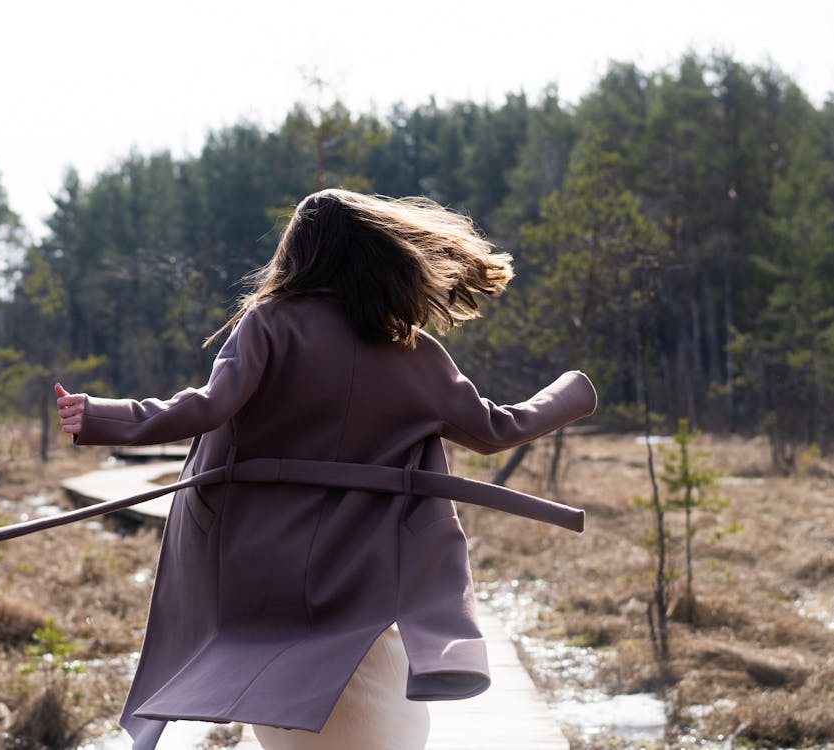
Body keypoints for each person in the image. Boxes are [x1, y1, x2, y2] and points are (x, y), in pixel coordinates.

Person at [55, 189, 597, 750]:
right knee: (376, 713)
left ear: (299, 253)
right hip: (364, 575)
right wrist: (571, 393)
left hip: (261, 572)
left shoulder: (270, 325)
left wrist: (102, 417)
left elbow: (207, 406)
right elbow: (496, 429)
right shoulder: (414, 351)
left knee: (285, 714)